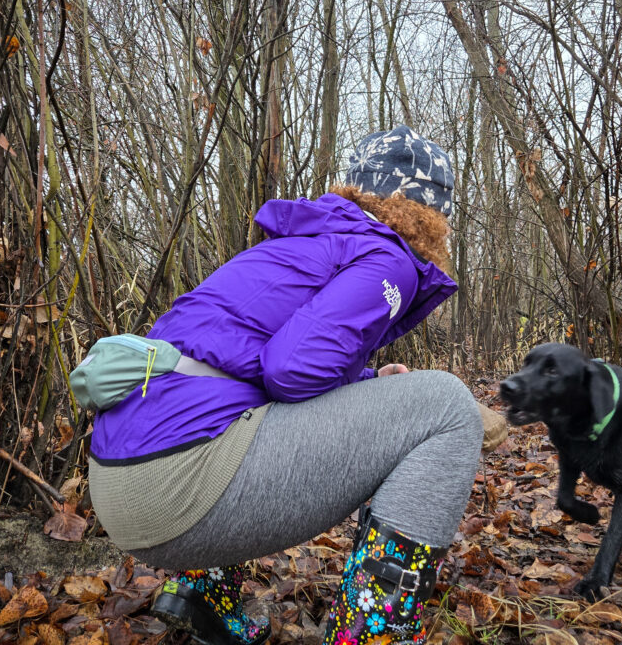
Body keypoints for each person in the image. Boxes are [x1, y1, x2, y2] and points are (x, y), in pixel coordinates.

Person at [86, 126, 484, 645]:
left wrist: (366, 382)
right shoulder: (389, 258)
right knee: (448, 407)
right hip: (178, 485)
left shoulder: (313, 240)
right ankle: (366, 635)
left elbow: (248, 359)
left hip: (119, 480)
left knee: (228, 407)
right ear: (427, 211)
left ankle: (204, 596)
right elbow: (290, 370)